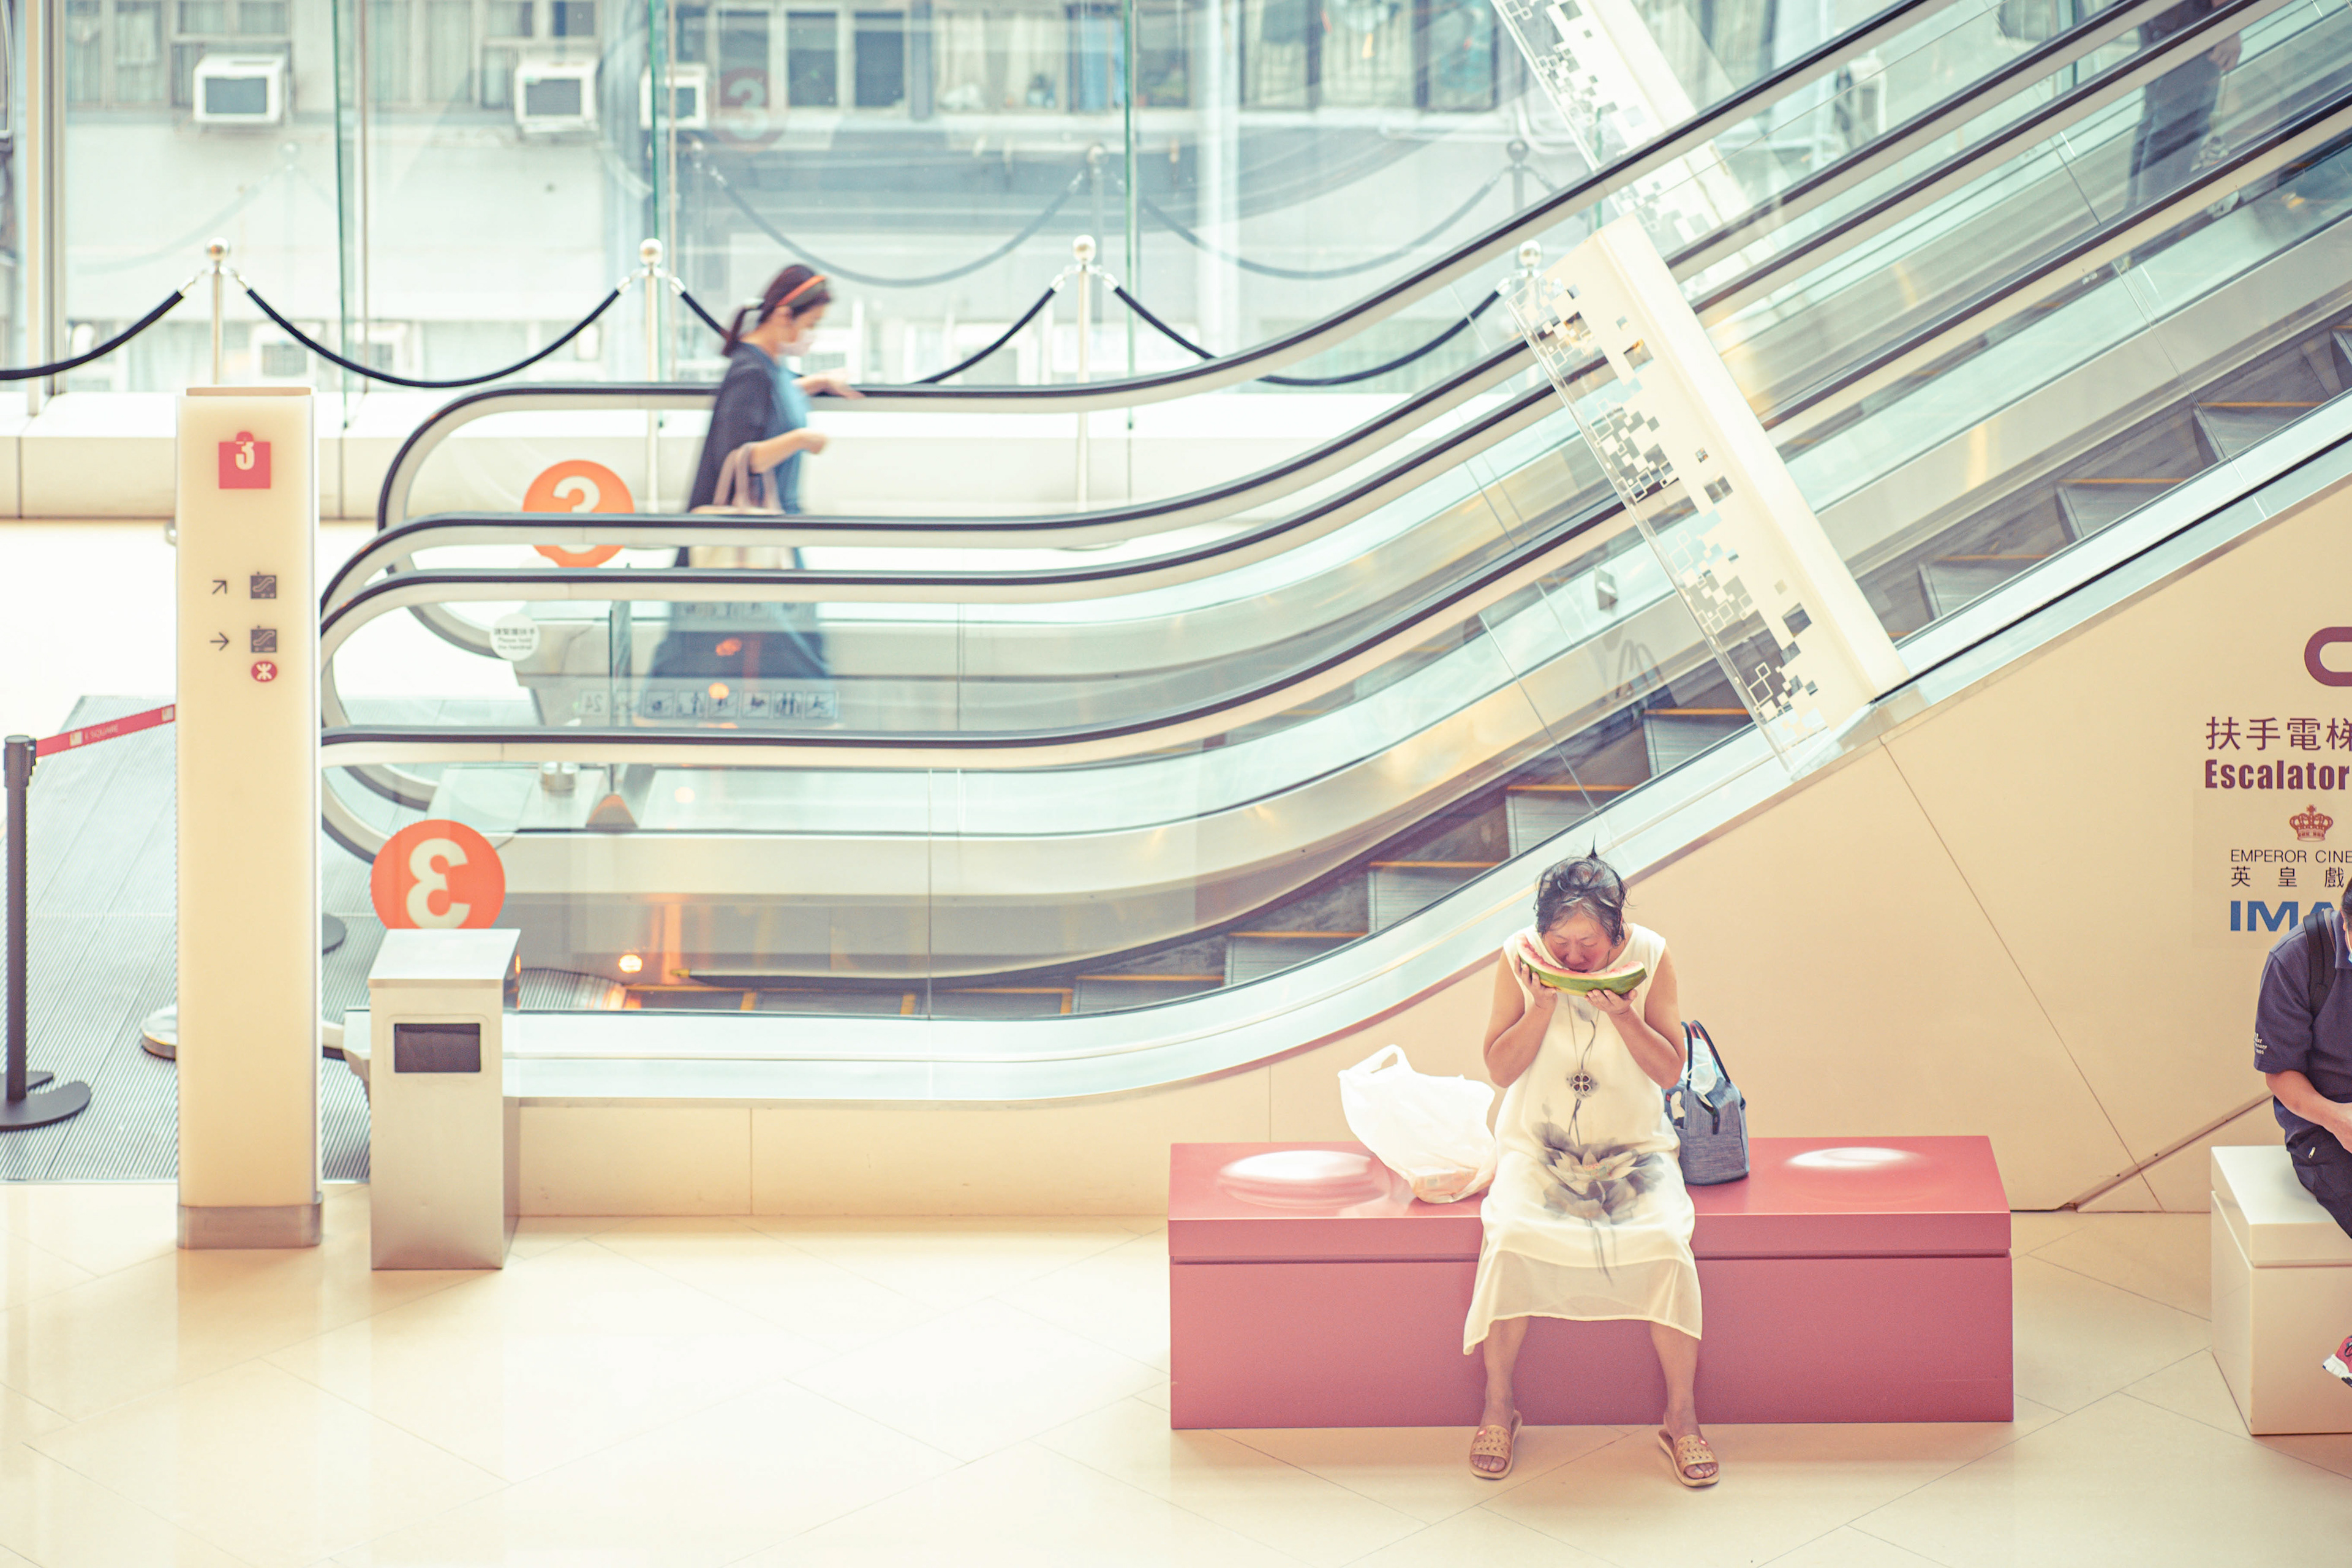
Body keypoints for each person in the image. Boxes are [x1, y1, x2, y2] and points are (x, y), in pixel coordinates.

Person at [1464, 854, 1716, 1485]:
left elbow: (1667, 1071)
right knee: (1510, 1236)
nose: (1575, 958)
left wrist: (1624, 1013)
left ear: (1618, 932)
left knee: (1664, 1241)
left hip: (1634, 1146)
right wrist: (1543, 1005)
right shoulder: (1518, 957)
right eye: (1562, 943)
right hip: (1536, 1145)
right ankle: (1499, 1405)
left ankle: (1681, 1416)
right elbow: (1499, 1068)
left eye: (1589, 945)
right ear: (1542, 933)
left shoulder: (1652, 955)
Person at [650, 265, 859, 706]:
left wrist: (816, 384)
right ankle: (814, 719)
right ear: (784, 316)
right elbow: (740, 454)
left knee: (714, 639)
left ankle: (668, 717)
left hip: (767, 530)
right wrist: (803, 439)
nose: (813, 337)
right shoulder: (752, 371)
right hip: (749, 532)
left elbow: (770, 407)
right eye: (811, 325)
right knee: (777, 637)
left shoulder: (767, 367)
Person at [2250, 887, 2352, 1390]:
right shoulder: (2297, 959)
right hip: (2324, 1123)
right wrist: (2338, 1119)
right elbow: (2281, 1075)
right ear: (2344, 920)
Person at [2125, 0, 2241, 212]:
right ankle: (2154, 234)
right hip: (2191, 14)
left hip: (2159, 14)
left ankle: (2136, 227)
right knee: (2176, 133)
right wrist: (2227, 20)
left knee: (2157, 124)